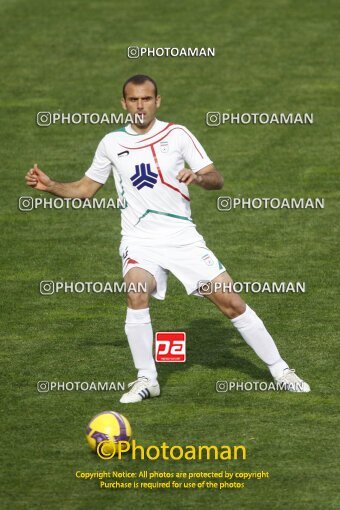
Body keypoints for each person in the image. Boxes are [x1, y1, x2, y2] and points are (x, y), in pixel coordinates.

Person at [25, 74, 310, 402]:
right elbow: (85, 189)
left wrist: (199, 178)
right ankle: (147, 379)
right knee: (136, 293)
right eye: (133, 100)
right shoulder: (111, 143)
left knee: (232, 304)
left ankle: (281, 370)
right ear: (123, 104)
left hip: (181, 239)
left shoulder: (177, 134)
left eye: (146, 99)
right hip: (139, 241)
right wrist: (52, 187)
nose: (140, 106)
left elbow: (216, 179)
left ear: (157, 101)